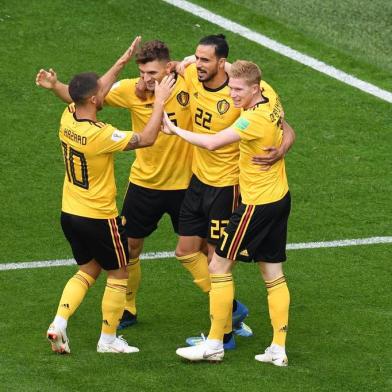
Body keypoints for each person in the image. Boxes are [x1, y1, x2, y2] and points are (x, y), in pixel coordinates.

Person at [36, 40, 194, 329]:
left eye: (152, 73)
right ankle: (120, 321)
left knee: (198, 250)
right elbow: (142, 136)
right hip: (138, 188)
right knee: (124, 260)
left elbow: (81, 97)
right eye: (142, 73)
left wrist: (185, 62)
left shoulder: (68, 116)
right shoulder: (103, 130)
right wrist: (158, 100)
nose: (146, 79)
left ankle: (60, 323)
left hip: (184, 183)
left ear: (167, 67)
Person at [163, 59, 293, 365]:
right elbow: (290, 129)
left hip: (255, 205)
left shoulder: (252, 120)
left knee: (218, 267)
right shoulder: (271, 97)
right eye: (231, 87)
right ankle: (278, 348)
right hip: (279, 198)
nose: (232, 95)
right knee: (272, 273)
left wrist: (174, 129)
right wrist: (196, 60)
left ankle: (214, 343)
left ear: (254, 89)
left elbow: (211, 143)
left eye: (238, 90)